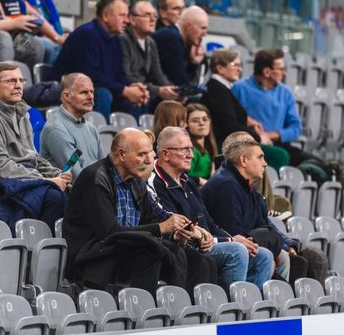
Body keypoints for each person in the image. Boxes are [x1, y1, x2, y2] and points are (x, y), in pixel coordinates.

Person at [63, 127, 217, 296]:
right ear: (121, 155)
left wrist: (174, 234)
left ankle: (185, 308)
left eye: (150, 153)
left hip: (126, 248)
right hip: (94, 256)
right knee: (151, 253)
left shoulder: (136, 180)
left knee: (201, 261)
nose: (149, 160)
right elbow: (109, 233)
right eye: (142, 154)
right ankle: (142, 308)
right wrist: (161, 228)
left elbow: (151, 219)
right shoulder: (95, 178)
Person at [147, 127, 273, 290]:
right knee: (237, 251)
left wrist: (231, 238)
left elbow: (209, 223)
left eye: (191, 149)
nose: (191, 155)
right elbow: (178, 228)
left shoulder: (187, 181)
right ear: (165, 154)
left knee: (263, 255)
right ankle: (231, 304)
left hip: (207, 243)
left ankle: (249, 304)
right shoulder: (155, 182)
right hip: (184, 248)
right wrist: (228, 241)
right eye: (184, 149)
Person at [0, 62, 71, 232]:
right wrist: (44, 180)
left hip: (21, 182)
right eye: (11, 81)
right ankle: (34, 245)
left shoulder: (22, 116)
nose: (18, 86)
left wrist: (56, 174)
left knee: (71, 194)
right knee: (54, 196)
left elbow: (33, 159)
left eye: (21, 81)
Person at [202, 136, 302, 282]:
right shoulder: (226, 185)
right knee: (267, 256)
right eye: (260, 157)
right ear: (244, 160)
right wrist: (270, 240)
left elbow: (263, 224)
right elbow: (233, 234)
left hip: (244, 247)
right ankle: (246, 296)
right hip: (220, 250)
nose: (265, 163)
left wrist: (285, 244)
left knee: (290, 257)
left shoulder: (247, 188)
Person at [51, 0, 149, 121]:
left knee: (138, 98)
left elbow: (119, 75)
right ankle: (97, 133)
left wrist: (133, 87)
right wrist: (124, 90)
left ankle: (132, 134)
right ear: (106, 15)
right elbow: (90, 77)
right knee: (102, 94)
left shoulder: (115, 39)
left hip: (98, 87)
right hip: (68, 90)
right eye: (122, 15)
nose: (127, 20)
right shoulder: (87, 35)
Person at [201, 48, 290, 171]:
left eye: (240, 65)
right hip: (226, 145)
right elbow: (230, 126)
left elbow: (229, 116)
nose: (240, 69)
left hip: (232, 141)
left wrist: (249, 121)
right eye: (235, 65)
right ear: (220, 68)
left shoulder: (222, 88)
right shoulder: (217, 89)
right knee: (279, 155)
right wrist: (258, 138)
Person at [231, 49, 313, 166]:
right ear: (267, 72)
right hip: (249, 145)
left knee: (314, 164)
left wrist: (270, 135)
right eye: (281, 69)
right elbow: (232, 123)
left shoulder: (286, 93)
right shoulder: (238, 89)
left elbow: (296, 129)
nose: (285, 73)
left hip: (278, 144)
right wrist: (258, 136)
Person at [40, 73, 104, 180]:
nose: (91, 97)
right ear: (67, 96)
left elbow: (104, 168)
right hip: (74, 189)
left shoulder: (91, 128)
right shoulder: (56, 129)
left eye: (92, 92)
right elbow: (77, 178)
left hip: (95, 185)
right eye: (84, 92)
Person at [120, 0, 179, 110]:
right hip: (130, 92)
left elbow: (158, 75)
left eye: (155, 16)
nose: (152, 19)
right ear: (132, 20)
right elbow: (126, 76)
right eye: (147, 15)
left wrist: (173, 90)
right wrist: (157, 90)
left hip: (146, 91)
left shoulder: (150, 42)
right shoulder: (122, 39)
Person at [151, 6, 208, 87]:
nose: (205, 34)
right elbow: (181, 82)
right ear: (188, 26)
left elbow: (202, 73)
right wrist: (194, 65)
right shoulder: (171, 37)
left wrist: (195, 63)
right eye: (202, 28)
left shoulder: (187, 42)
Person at [186, 103, 217, 185]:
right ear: (186, 125)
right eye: (195, 121)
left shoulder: (208, 148)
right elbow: (183, 177)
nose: (201, 123)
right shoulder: (190, 151)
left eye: (205, 119)